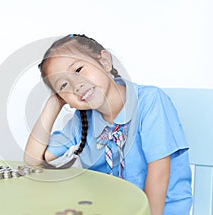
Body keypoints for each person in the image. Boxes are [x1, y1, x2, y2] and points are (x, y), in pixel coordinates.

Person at [24, 34, 192, 215]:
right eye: (64, 85)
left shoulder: (150, 101)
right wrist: (53, 103)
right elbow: (33, 159)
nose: (76, 85)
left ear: (104, 61)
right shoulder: (82, 121)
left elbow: (158, 176)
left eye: (78, 70)